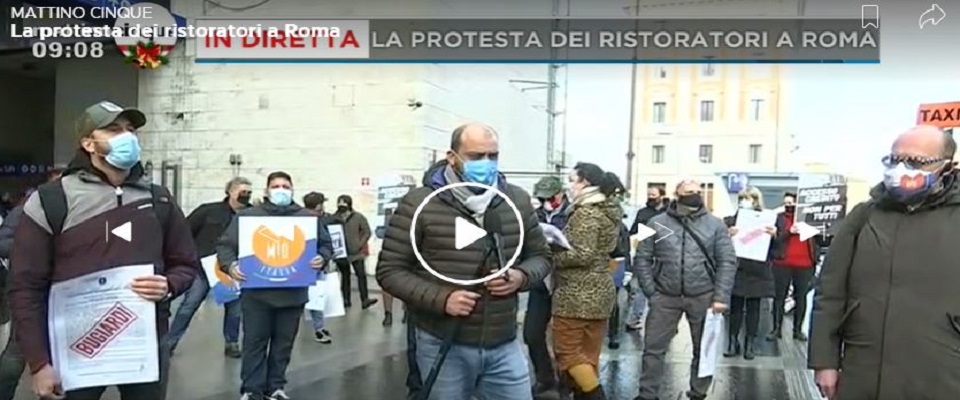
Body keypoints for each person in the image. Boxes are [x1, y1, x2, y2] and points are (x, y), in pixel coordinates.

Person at [8, 100, 201, 400]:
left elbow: (186, 264)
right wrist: (39, 363)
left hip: (144, 344)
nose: (126, 136)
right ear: (88, 143)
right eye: (113, 130)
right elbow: (25, 285)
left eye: (130, 130)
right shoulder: (51, 199)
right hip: (76, 348)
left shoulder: (159, 199)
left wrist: (169, 284)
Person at [376, 123, 551, 400]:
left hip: (504, 342)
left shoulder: (517, 200)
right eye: (476, 156)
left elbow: (541, 257)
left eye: (492, 156)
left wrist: (520, 277)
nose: (486, 163)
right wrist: (442, 298)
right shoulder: (418, 203)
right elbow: (389, 271)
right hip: (442, 342)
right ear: (452, 157)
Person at [809, 125, 960, 399]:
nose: (902, 168)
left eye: (915, 162)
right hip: (864, 374)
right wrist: (825, 361)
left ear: (947, 167)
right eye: (894, 159)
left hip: (942, 375)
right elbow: (829, 292)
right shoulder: (863, 216)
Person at [217, 171, 332, 400]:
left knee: (283, 345)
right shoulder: (248, 217)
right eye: (276, 186)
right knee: (254, 344)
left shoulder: (308, 218)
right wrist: (230, 266)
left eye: (285, 186)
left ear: (292, 190)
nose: (281, 190)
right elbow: (225, 246)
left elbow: (326, 245)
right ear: (267, 190)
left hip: (294, 294)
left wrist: (322, 257)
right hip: (256, 295)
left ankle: (276, 387)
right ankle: (252, 389)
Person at [633, 179, 737, 400]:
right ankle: (647, 394)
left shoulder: (716, 225)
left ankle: (698, 392)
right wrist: (652, 291)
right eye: (689, 191)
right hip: (665, 296)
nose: (695, 194)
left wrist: (720, 296)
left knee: (703, 350)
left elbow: (727, 261)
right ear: (677, 193)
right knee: (653, 349)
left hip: (704, 295)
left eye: (698, 191)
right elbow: (641, 258)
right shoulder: (654, 222)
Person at [551, 163, 623, 400]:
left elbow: (581, 254)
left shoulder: (586, 212)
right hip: (600, 292)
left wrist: (550, 251)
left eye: (573, 180)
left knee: (568, 352)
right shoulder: (607, 211)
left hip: (577, 294)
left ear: (585, 182)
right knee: (588, 357)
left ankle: (596, 397)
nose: (570, 186)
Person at [164, 177, 253, 358]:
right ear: (230, 191)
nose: (246, 196)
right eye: (242, 191)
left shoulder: (251, 215)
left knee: (235, 310)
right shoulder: (208, 210)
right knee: (189, 306)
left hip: (233, 269)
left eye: (249, 193)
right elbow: (185, 230)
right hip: (203, 268)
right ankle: (169, 343)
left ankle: (232, 343)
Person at [0, 168, 62, 400]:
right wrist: (34, 250)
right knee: (17, 352)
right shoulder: (29, 207)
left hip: (65, 292)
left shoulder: (77, 207)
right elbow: (3, 242)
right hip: (32, 290)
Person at [525, 175, 570, 399]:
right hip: (541, 284)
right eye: (542, 198)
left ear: (561, 194)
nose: (546, 202)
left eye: (550, 197)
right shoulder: (535, 215)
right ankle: (544, 378)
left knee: (564, 338)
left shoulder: (574, 214)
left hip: (566, 284)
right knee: (531, 334)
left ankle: (565, 381)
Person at [722, 187, 776, 360]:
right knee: (735, 308)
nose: (746, 202)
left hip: (757, 269)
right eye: (743, 198)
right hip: (737, 268)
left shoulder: (767, 221)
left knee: (754, 308)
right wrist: (728, 234)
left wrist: (775, 236)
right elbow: (719, 244)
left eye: (750, 198)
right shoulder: (730, 220)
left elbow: (778, 250)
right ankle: (732, 342)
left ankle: (750, 344)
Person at [768, 191, 819, 342]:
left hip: (805, 264)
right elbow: (775, 240)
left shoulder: (810, 219)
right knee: (779, 297)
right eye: (786, 204)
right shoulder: (779, 219)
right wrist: (789, 232)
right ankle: (776, 329)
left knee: (801, 297)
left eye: (792, 203)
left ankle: (798, 330)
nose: (789, 206)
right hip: (782, 263)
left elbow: (821, 240)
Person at [625, 187, 669, 331]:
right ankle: (634, 318)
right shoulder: (643, 212)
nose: (651, 197)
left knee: (664, 290)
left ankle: (665, 321)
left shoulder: (669, 213)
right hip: (645, 255)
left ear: (661, 196)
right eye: (649, 194)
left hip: (664, 256)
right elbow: (633, 232)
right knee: (640, 289)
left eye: (654, 195)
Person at [303, 191, 337, 344]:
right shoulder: (317, 221)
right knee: (316, 298)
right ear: (319, 205)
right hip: (315, 265)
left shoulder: (296, 218)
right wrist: (324, 258)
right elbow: (326, 242)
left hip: (296, 266)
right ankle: (318, 329)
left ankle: (318, 328)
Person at [334, 194, 377, 309]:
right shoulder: (334, 218)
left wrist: (360, 244)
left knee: (361, 275)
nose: (341, 205)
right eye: (339, 202)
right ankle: (346, 300)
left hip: (357, 253)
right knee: (345, 277)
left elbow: (367, 231)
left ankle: (365, 299)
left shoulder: (358, 217)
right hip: (341, 253)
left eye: (343, 202)